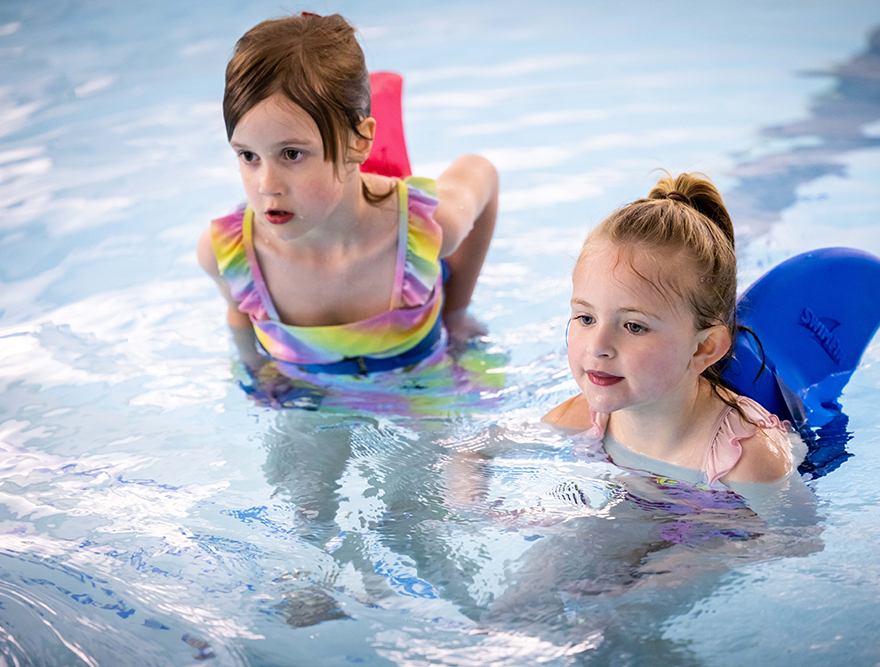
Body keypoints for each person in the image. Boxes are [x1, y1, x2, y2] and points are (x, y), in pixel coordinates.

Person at [197, 12, 498, 377]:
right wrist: (257, 368)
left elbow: (482, 172)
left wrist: (456, 314)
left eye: (291, 154)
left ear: (359, 143)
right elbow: (240, 312)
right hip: (313, 399)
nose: (266, 185)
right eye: (248, 156)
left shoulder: (425, 231)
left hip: (421, 386)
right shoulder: (230, 254)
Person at [544, 172, 810, 505]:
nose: (598, 347)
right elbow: (482, 449)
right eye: (586, 318)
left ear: (704, 348)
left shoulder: (749, 459)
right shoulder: (588, 416)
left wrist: (702, 553)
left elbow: (799, 542)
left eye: (634, 327)